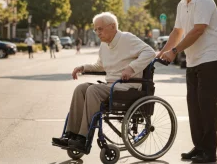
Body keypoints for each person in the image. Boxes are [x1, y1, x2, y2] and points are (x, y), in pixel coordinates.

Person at [52, 12, 156, 152]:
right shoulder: (104, 45)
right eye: (95, 29)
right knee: (81, 88)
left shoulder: (127, 39)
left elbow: (150, 52)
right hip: (111, 87)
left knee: (93, 90)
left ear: (112, 26)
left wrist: (131, 68)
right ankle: (71, 135)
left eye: (100, 29)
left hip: (127, 87)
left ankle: (83, 138)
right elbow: (100, 66)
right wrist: (83, 68)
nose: (97, 33)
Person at [157, 0, 217, 163]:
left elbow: (198, 31)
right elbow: (177, 31)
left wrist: (175, 51)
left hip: (211, 58)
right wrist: (163, 52)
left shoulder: (204, 0)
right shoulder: (182, 4)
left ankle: (210, 152)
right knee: (194, 106)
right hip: (194, 60)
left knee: (206, 105)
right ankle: (199, 147)